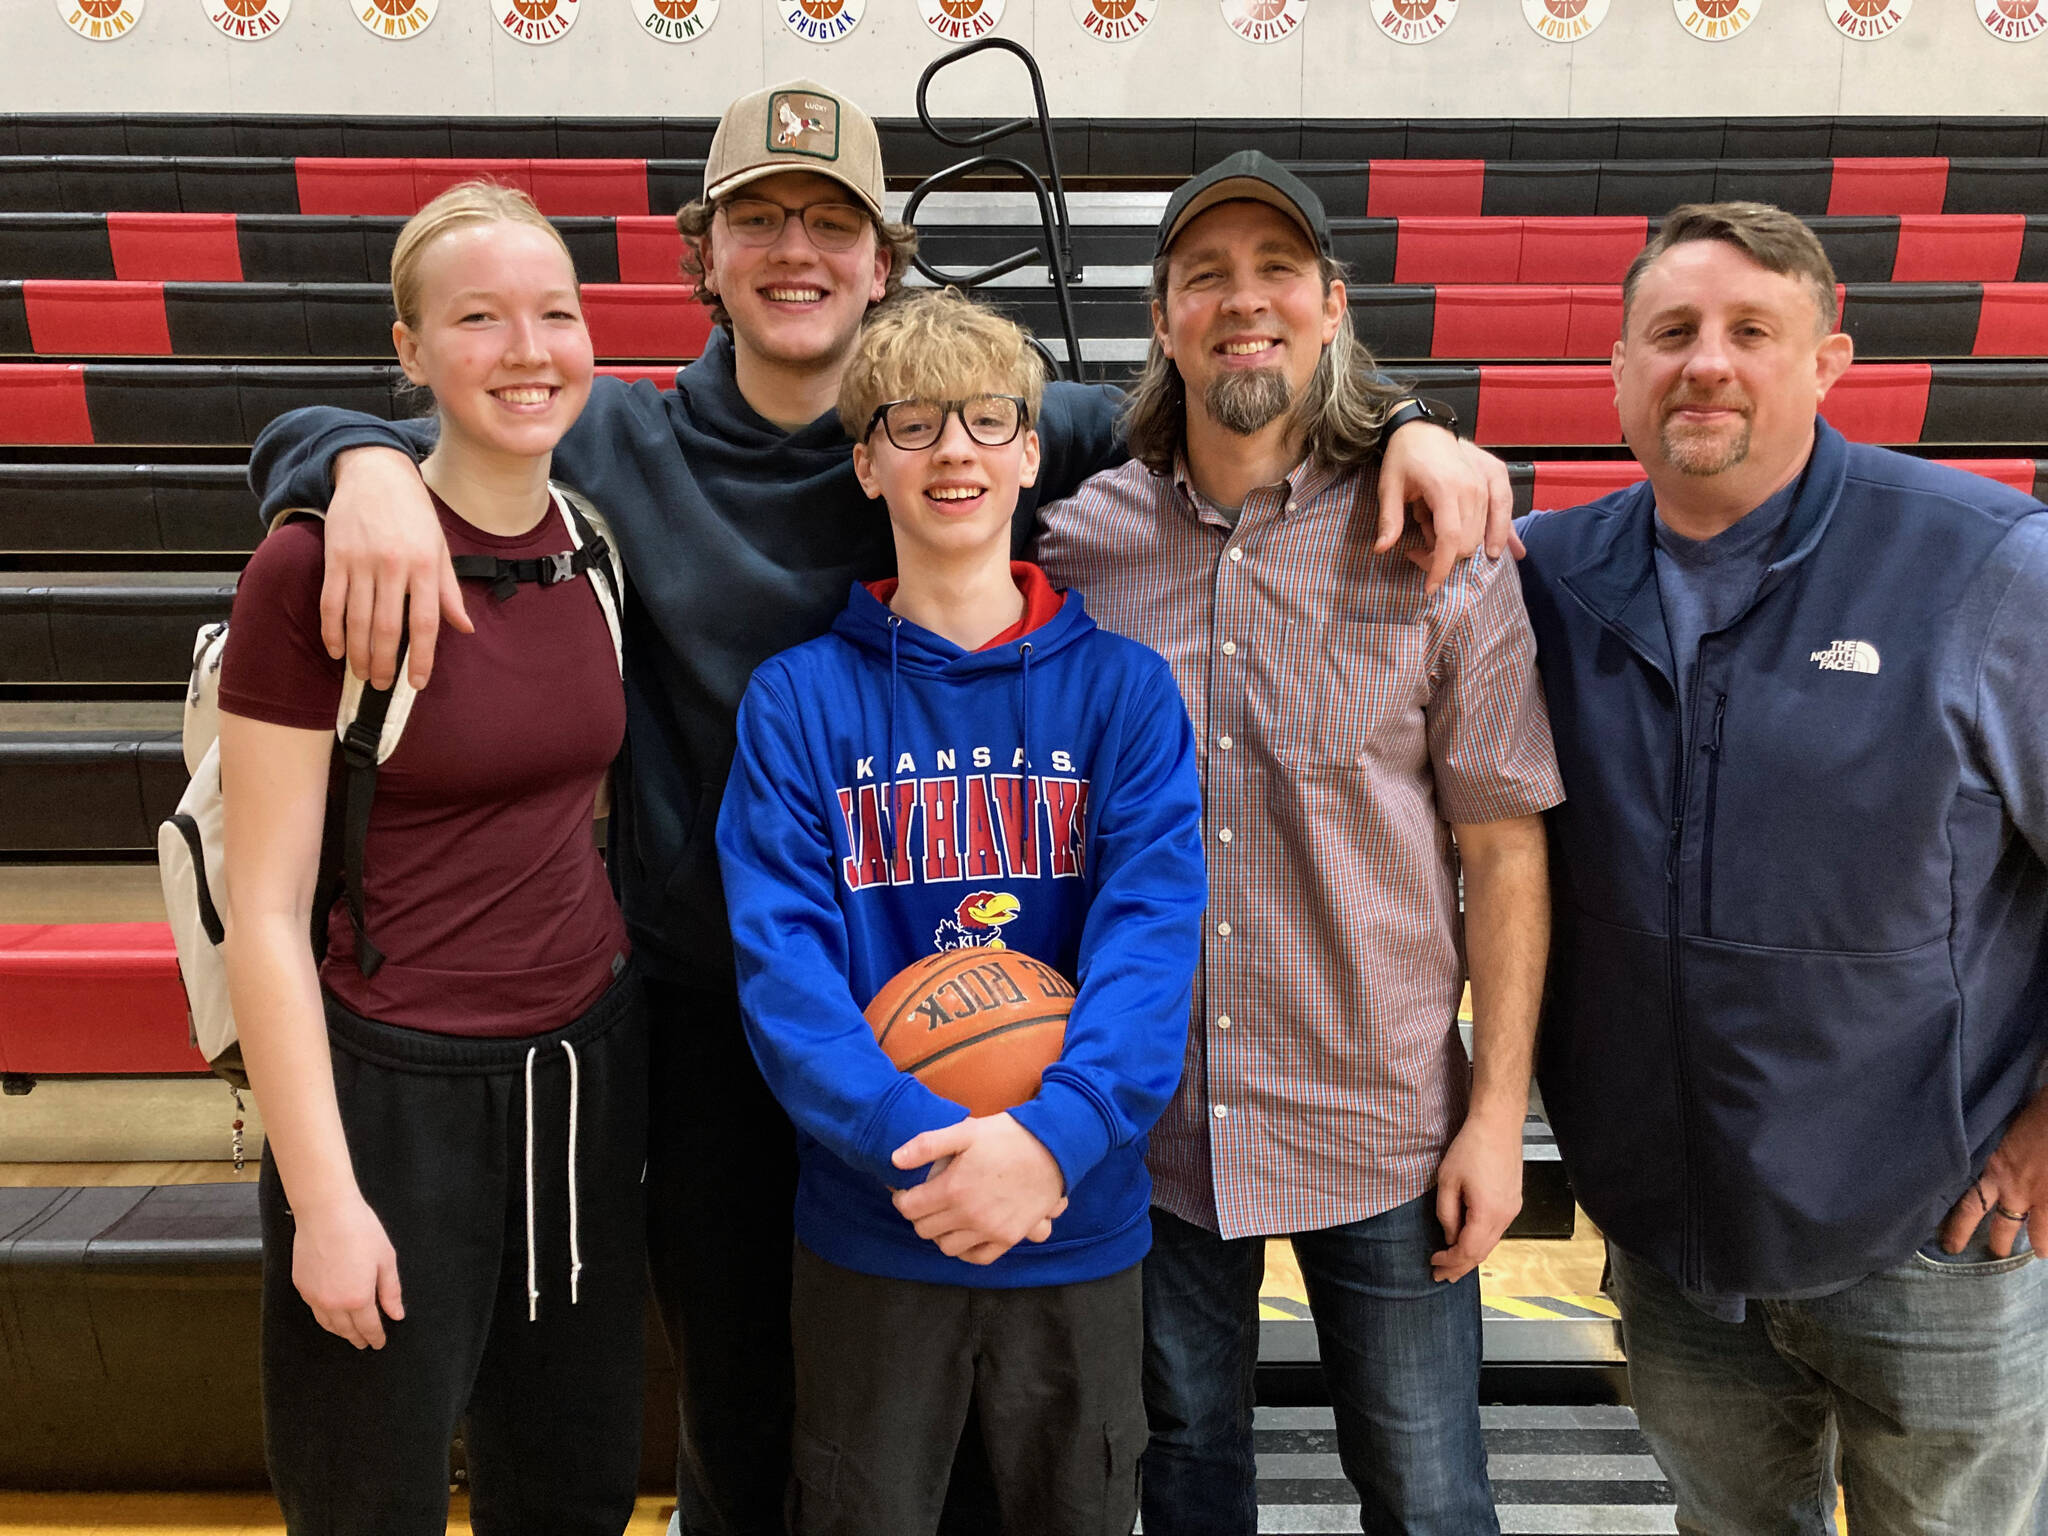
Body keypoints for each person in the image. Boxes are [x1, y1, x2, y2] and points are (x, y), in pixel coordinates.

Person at [245, 83, 1512, 1536]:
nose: (798, 250)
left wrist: (1407, 422)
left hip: (972, 1019)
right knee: (750, 1413)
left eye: (832, 222)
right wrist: (351, 459)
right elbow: (415, 405)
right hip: (722, 1018)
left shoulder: (1006, 424)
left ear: (884, 261)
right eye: (761, 220)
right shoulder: (607, 446)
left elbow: (1242, 391)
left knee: (980, 1447)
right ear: (700, 254)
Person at [1036, 151, 1561, 1536]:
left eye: (1277, 272)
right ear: (1164, 319)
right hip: (1149, 1124)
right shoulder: (1077, 548)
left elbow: (1505, 850)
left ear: (1333, 307)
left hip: (1380, 1115)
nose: (1242, 301)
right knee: (1184, 1481)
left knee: (1432, 1493)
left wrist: (1498, 1118)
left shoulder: (1440, 543)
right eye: (1206, 275)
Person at [1515, 201, 2048, 1535]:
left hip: (1936, 1231)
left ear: (1830, 361)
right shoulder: (1547, 578)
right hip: (1672, 1233)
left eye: (1753, 331)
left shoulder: (1984, 567)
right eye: (1673, 332)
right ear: (1618, 372)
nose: (1708, 361)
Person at [716, 288, 1205, 1535]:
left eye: (989, 422)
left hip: (1076, 1214)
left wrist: (1052, 1140)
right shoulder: (796, 700)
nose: (954, 451)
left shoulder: (1124, 692)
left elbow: (1149, 945)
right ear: (866, 457)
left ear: (1032, 453)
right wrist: (914, 1145)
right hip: (874, 1222)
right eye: (914, 422)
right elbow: (785, 971)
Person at [218, 183, 645, 1536]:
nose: (528, 349)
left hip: (582, 1076)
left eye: (555, 312)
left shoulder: (593, 546)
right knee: (367, 1500)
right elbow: (267, 913)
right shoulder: (311, 573)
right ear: (407, 352)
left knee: (571, 1490)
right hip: (390, 1100)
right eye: (478, 318)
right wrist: (325, 1200)